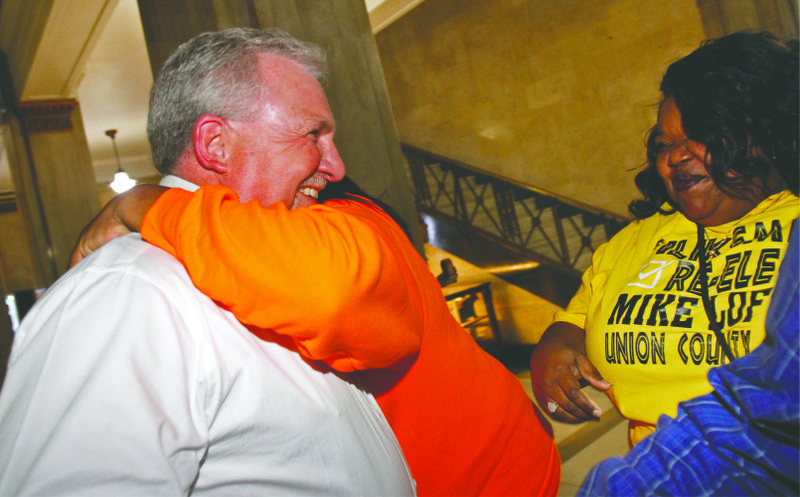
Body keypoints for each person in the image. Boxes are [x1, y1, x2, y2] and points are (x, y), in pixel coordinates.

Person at [0, 28, 417, 496]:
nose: (336, 167)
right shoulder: (129, 290)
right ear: (215, 144)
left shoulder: (279, 261)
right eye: (313, 134)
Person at [69, 182, 562, 495]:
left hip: (494, 476)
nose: (335, 161)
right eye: (311, 137)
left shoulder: (344, 222)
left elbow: (327, 291)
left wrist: (141, 201)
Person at [529, 31, 798, 447]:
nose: (676, 156)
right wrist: (553, 349)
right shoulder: (630, 243)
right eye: (664, 144)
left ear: (767, 136)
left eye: (702, 135)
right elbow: (575, 321)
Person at [578, 219, 798, 496]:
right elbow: (578, 316)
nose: (680, 172)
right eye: (669, 169)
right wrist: (556, 343)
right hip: (654, 461)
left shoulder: (792, 222)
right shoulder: (633, 237)